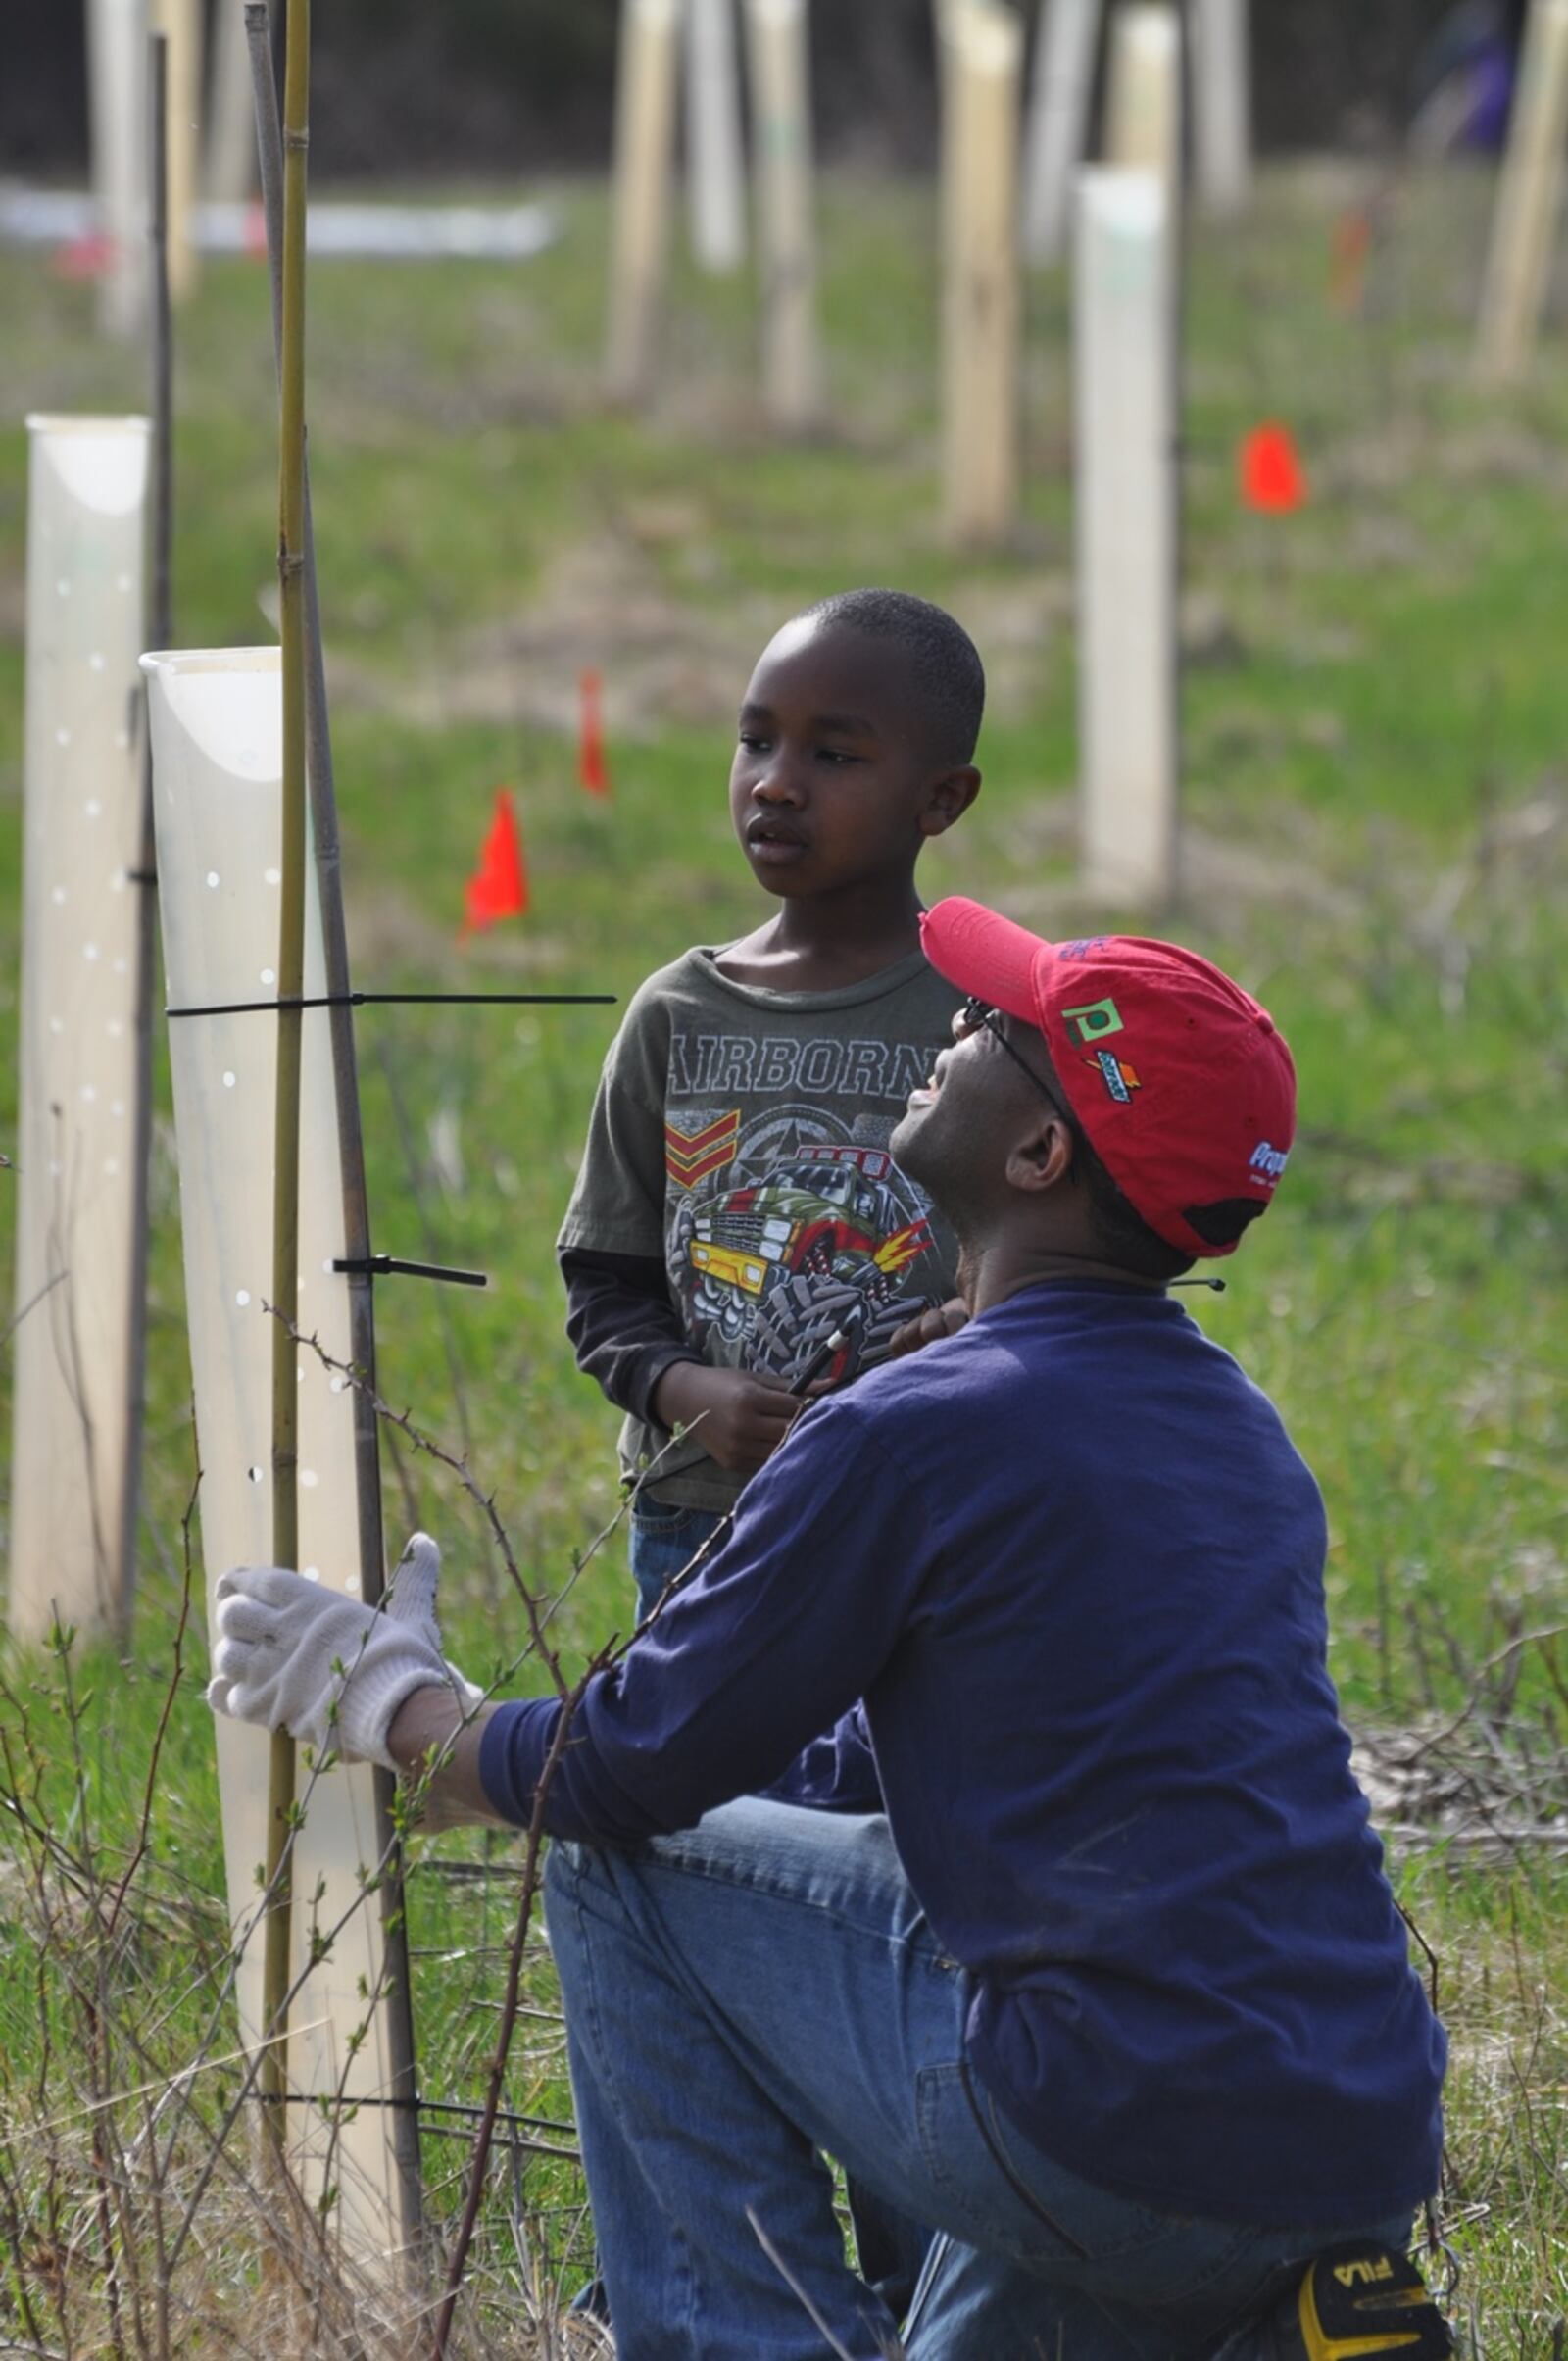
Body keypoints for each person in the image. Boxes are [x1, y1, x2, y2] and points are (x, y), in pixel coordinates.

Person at [211, 899, 1452, 2361]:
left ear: (1039, 1154)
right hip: (1354, 2137)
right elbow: (865, 1769)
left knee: (620, 1869)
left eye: (996, 1029)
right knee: (870, 1878)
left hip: (1107, 2138)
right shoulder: (1240, 1431)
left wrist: (402, 1713)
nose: (954, 1025)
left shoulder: (916, 1431)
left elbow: (622, 1778)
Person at [558, 587, 980, 1624]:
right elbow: (603, 1278)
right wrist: (682, 1395)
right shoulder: (677, 1014)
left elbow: (1046, 1259)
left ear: (940, 800)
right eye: (756, 742)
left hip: (917, 1511)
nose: (777, 785)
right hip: (701, 1522)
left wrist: (965, 1329)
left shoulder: (982, 1022)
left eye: (834, 756)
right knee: (708, 1777)